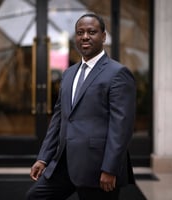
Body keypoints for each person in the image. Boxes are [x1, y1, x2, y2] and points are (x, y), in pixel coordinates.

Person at [25, 13, 136, 200]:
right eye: (80, 32)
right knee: (35, 197)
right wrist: (43, 157)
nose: (85, 36)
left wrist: (110, 168)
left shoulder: (118, 73)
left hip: (97, 168)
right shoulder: (69, 73)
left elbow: (121, 128)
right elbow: (59, 118)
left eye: (92, 32)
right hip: (64, 164)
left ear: (103, 36)